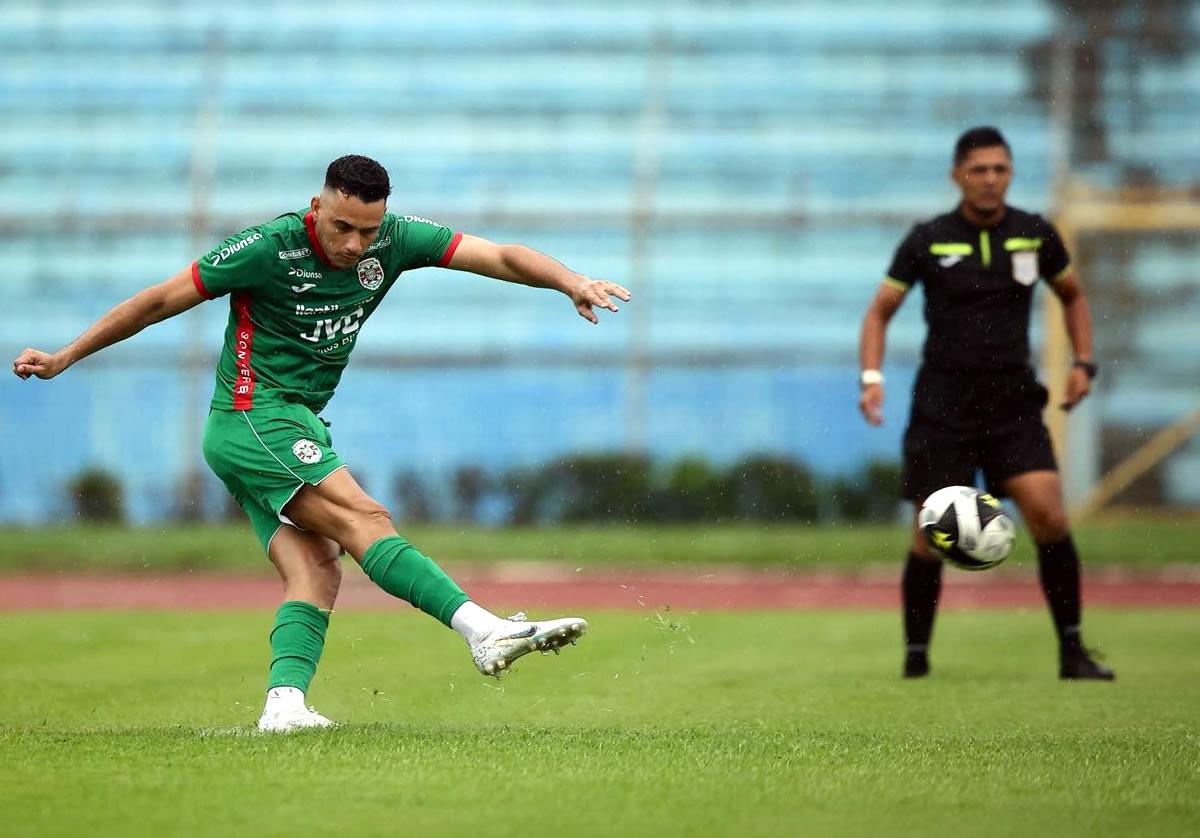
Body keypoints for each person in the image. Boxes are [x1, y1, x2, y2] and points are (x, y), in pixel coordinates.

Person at [12, 154, 632, 730]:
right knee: (365, 517)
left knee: (315, 568)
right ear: (317, 206)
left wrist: (569, 281)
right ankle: (483, 631)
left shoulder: (394, 241)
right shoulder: (267, 247)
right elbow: (158, 301)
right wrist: (68, 355)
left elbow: (498, 257)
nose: (354, 244)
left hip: (292, 421)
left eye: (367, 230)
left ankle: (284, 706)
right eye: (341, 227)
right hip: (253, 417)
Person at [856, 127, 1114, 681]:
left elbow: (1073, 295)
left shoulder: (1034, 234)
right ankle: (916, 660)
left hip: (1012, 403)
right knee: (930, 532)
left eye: (1000, 168)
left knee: (1047, 512)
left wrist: (1083, 361)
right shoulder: (928, 239)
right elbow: (879, 311)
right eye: (979, 169)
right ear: (957, 176)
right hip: (943, 406)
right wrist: (872, 377)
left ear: (1011, 173)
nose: (990, 179)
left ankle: (1072, 651)